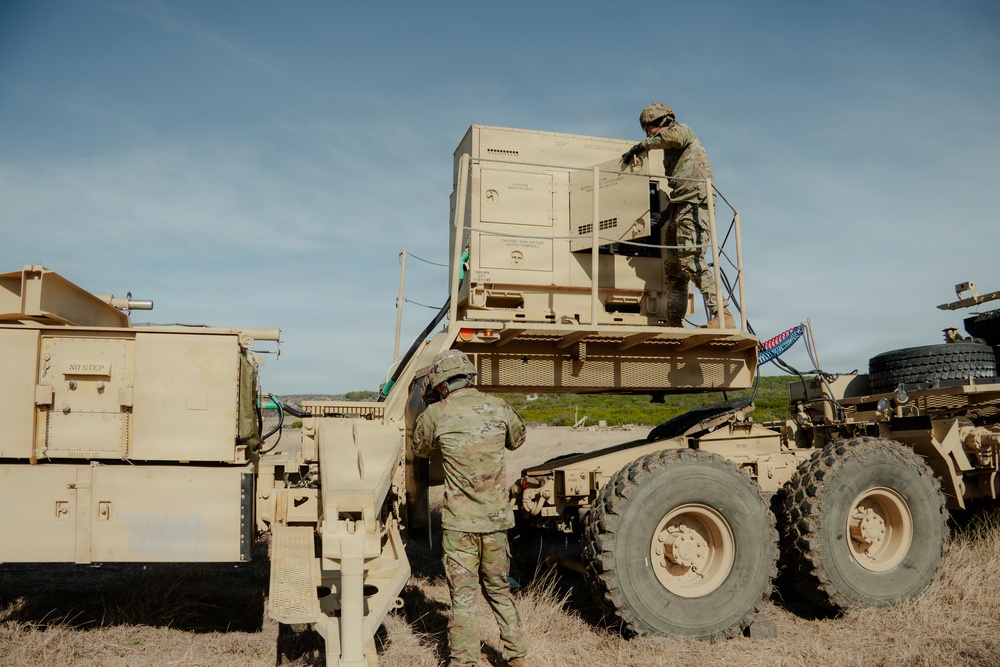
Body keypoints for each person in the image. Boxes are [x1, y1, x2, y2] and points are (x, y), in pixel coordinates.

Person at [412, 349, 529, 667]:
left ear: (441, 385)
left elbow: (420, 449)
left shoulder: (436, 413)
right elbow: (518, 439)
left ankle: (465, 662)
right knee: (499, 590)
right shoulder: (498, 406)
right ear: (469, 376)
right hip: (495, 524)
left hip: (459, 526)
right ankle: (517, 656)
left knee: (463, 599)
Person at [622, 102, 735, 328]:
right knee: (674, 268)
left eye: (648, 129)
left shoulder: (681, 130)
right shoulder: (669, 147)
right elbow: (680, 185)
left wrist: (642, 147)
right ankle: (674, 320)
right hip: (680, 203)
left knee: (691, 259)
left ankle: (722, 315)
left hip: (695, 203)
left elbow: (672, 138)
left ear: (659, 121)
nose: (648, 134)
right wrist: (666, 214)